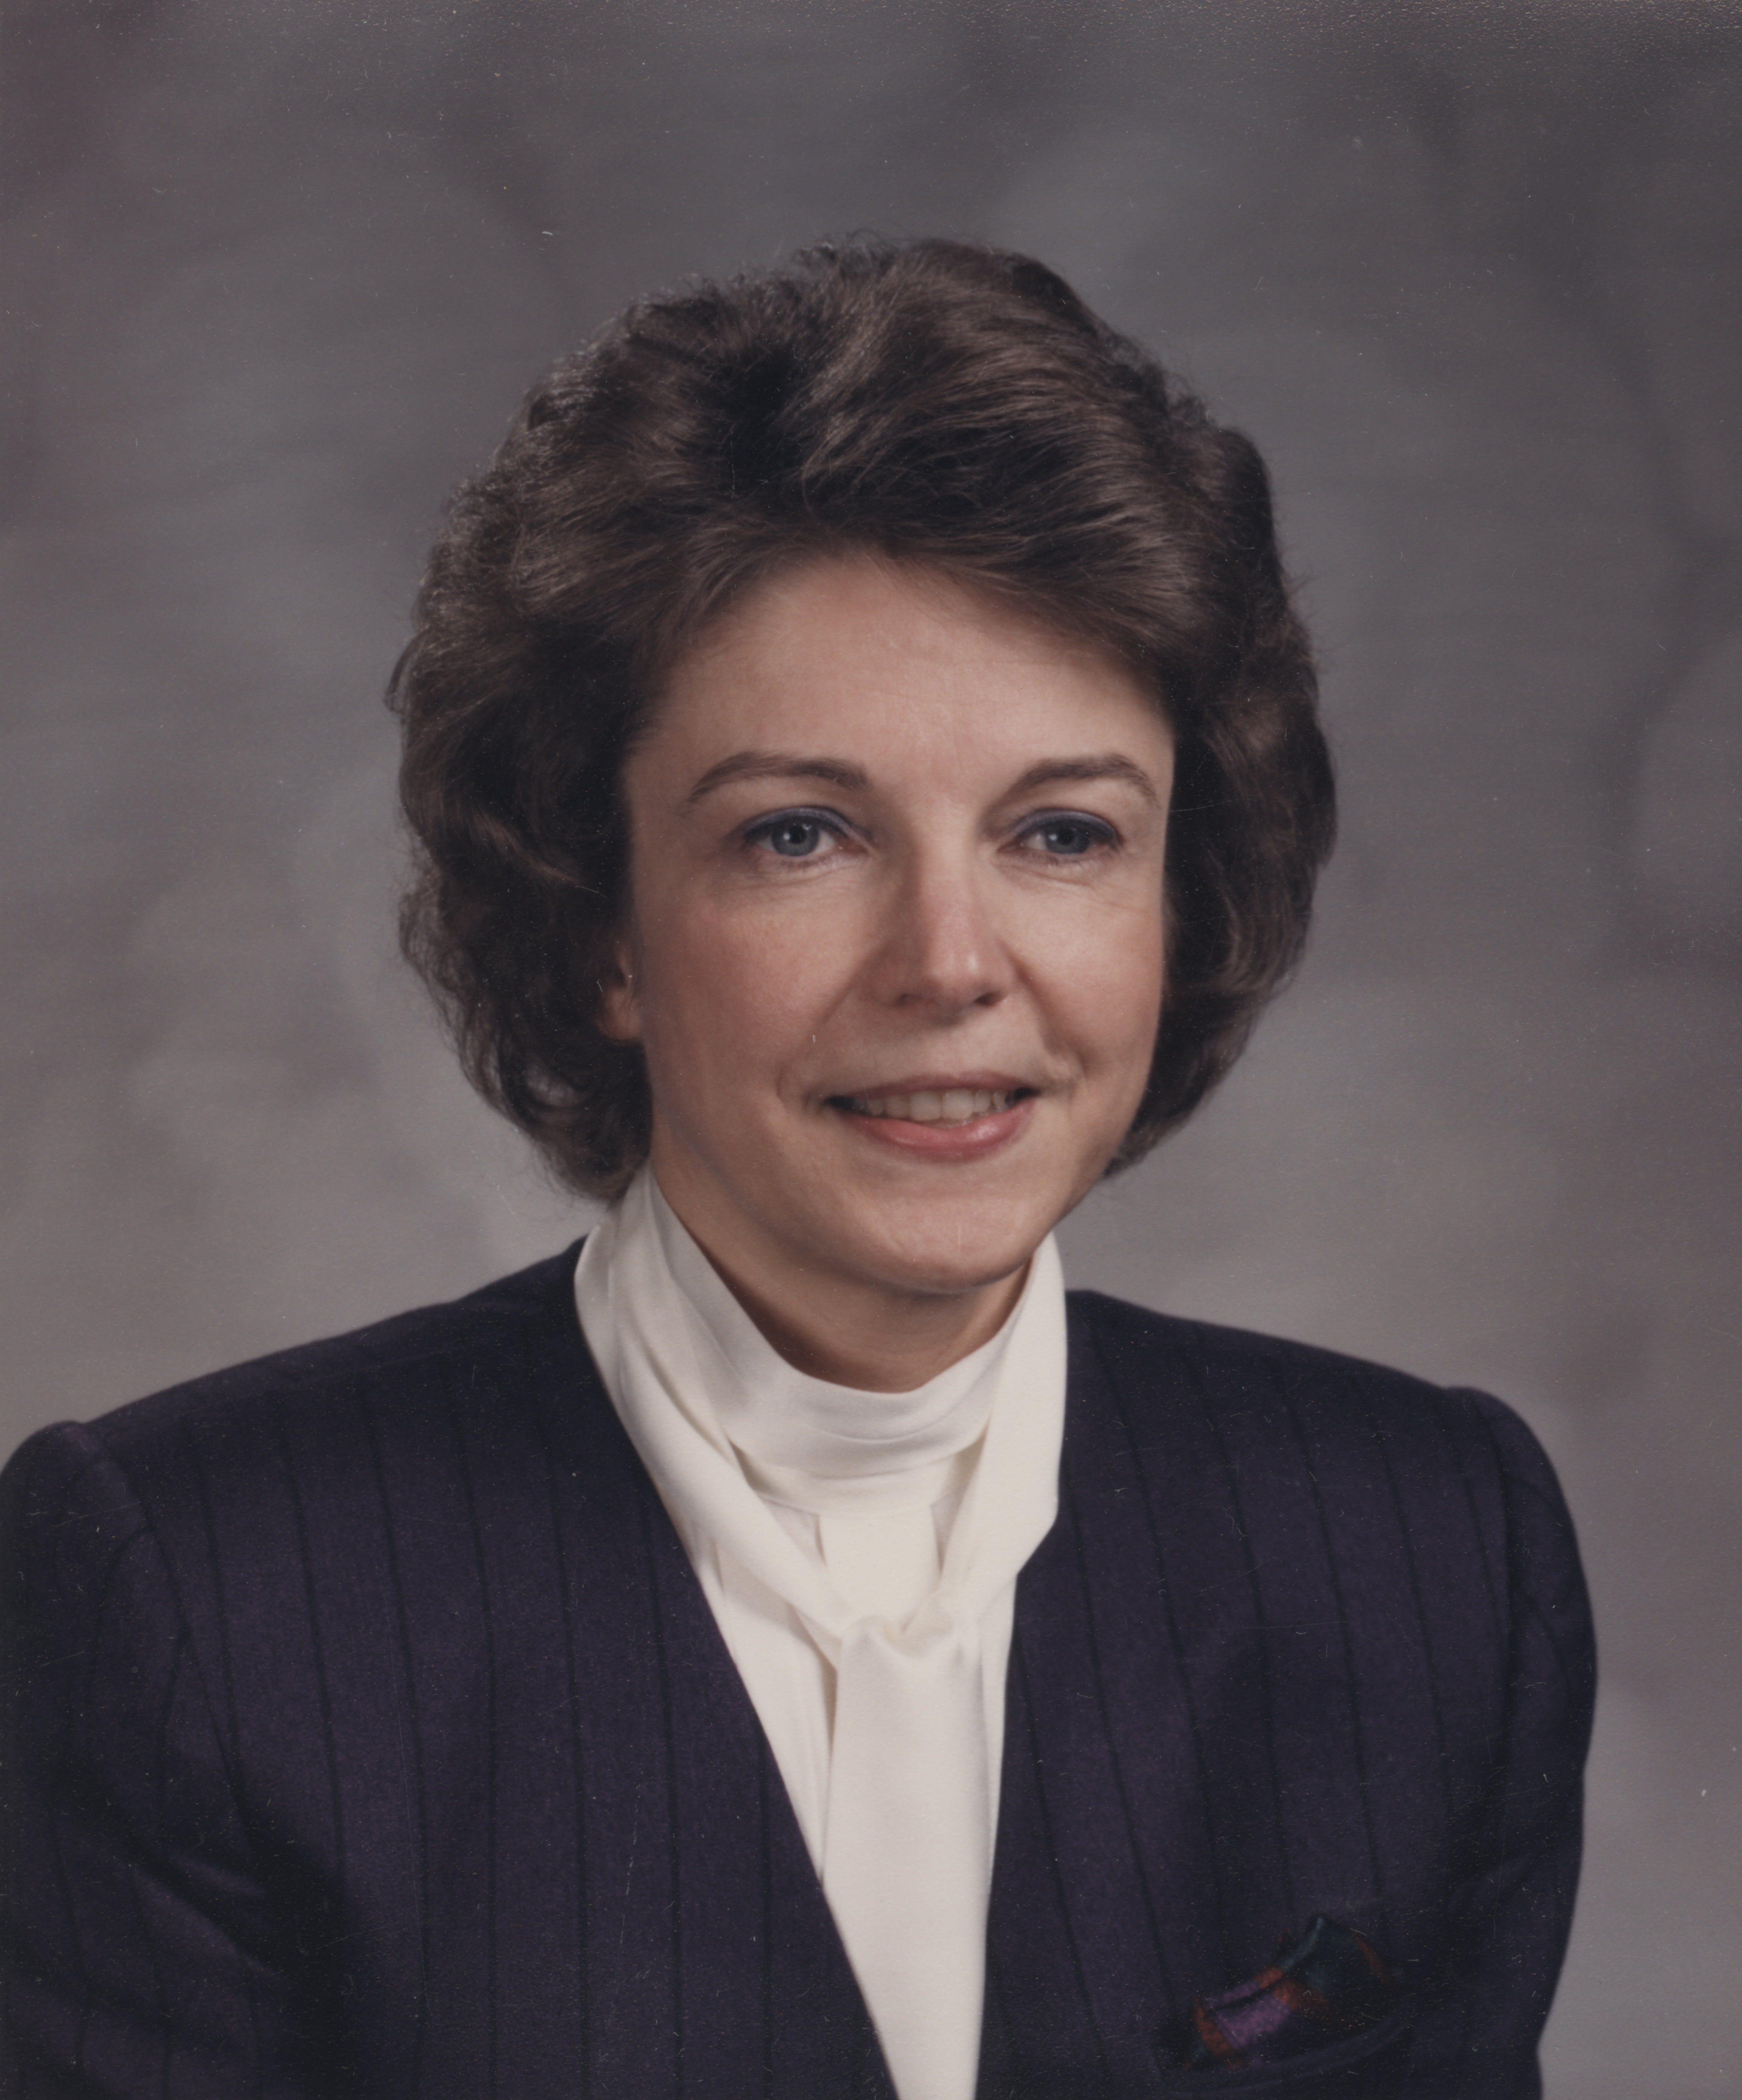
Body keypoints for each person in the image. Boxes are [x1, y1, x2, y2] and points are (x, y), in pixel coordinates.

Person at [1, 237, 1593, 2100]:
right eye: (800, 835)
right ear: (597, 922)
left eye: (1062, 834)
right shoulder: (196, 1592)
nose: (948, 962)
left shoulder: (1427, 1549)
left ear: (1180, 900)